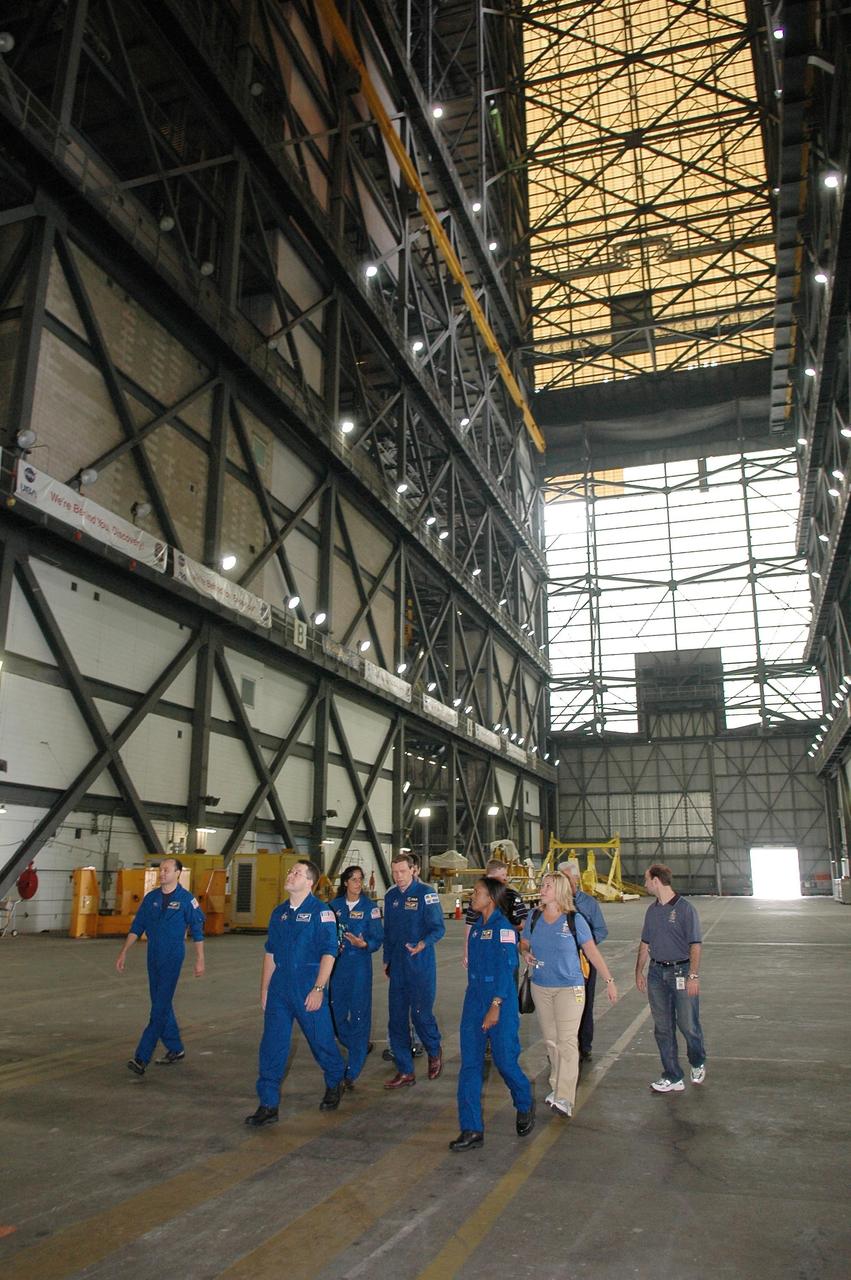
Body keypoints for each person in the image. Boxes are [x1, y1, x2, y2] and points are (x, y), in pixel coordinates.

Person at [245, 859, 346, 1125]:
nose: (290, 875)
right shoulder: (279, 913)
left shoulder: (322, 913)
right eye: (290, 871)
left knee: (321, 1041)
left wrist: (319, 988)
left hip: (308, 986)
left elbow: (329, 952)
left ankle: (335, 1080)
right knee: (272, 1045)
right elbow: (270, 953)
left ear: (309, 882)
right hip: (280, 988)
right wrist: (265, 988)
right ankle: (268, 1104)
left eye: (297, 873)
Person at [520, 872, 617, 1116]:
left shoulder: (575, 920)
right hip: (541, 986)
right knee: (551, 1041)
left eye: (548, 886)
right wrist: (525, 952)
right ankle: (556, 1087)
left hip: (570, 988)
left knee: (567, 1041)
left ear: (560, 890)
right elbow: (524, 941)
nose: (542, 889)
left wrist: (609, 980)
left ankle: (565, 1096)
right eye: (543, 885)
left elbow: (592, 952)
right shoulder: (534, 917)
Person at [450, 877, 535, 1151]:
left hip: (500, 1000)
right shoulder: (476, 928)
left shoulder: (504, 929)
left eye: (477, 892)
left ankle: (524, 1101)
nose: (472, 896)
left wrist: (495, 1005)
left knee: (504, 1061)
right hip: (474, 999)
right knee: (470, 1065)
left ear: (491, 898)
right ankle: (471, 1128)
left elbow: (507, 966)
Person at [116, 857, 205, 1076]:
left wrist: (200, 958)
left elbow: (198, 929)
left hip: (173, 957)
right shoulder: (151, 898)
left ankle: (141, 1057)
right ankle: (175, 1048)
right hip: (152, 956)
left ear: (177, 873)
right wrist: (124, 951)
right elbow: (138, 926)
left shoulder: (187, 900)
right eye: (160, 869)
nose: (162, 873)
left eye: (166, 869)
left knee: (159, 1007)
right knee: (160, 1002)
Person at [635, 862, 706, 1093]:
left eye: (647, 880)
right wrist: (639, 971)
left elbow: (695, 945)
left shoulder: (686, 909)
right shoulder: (652, 910)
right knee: (663, 1028)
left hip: (682, 972)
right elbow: (645, 943)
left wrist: (693, 975)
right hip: (656, 974)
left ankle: (697, 1061)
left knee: (688, 1025)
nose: (645, 884)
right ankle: (673, 1075)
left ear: (656, 881)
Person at [383, 851, 445, 1088]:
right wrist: (387, 960)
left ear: (413, 870)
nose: (398, 876)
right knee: (397, 1019)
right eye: (394, 872)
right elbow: (388, 931)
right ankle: (405, 1070)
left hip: (420, 965)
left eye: (402, 872)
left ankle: (433, 1049)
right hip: (398, 966)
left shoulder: (426, 894)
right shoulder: (391, 897)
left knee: (421, 1014)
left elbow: (438, 928)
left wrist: (422, 944)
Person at [329, 865, 383, 1087]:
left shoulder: (371, 908)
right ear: (345, 883)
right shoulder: (333, 907)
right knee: (335, 1016)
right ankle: (358, 1044)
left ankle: (351, 1071)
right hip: (337, 968)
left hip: (360, 967)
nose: (358, 883)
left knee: (360, 1016)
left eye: (360, 880)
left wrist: (365, 944)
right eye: (354, 880)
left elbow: (377, 938)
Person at [558, 858, 608, 1062]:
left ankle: (584, 1044)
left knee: (584, 1002)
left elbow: (601, 930)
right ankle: (562, 1044)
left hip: (584, 961)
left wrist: (584, 944)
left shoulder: (589, 903)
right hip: (560, 963)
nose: (564, 882)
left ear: (576, 880)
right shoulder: (554, 903)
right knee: (560, 1004)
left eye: (567, 878)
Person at [463, 857, 529, 966]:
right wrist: (466, 951)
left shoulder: (513, 896)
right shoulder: (476, 899)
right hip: (481, 949)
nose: (505, 878)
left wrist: (507, 928)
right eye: (503, 875)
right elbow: (470, 924)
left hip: (506, 951)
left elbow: (524, 921)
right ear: (490, 877)